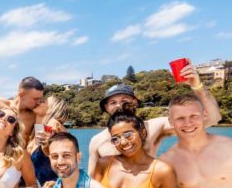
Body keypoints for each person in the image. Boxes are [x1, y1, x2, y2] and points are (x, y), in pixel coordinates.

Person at [87, 61, 222, 176]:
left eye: (124, 100)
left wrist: (197, 85)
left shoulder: (153, 127)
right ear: (105, 107)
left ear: (135, 102)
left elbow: (211, 119)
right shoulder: (97, 141)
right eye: (113, 102)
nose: (119, 105)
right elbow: (91, 181)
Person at [28, 95, 69, 186]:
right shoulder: (38, 131)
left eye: (43, 101)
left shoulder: (54, 125)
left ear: (53, 108)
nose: (38, 102)